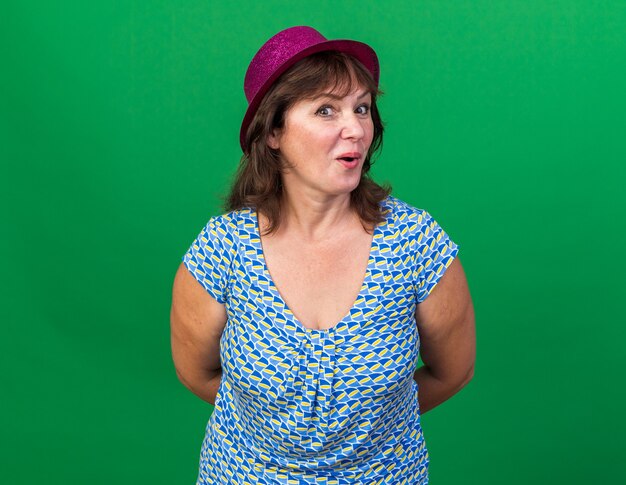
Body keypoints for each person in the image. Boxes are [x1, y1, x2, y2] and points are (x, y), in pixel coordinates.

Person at [170, 26, 475, 484]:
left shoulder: (416, 243)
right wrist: (275, 439)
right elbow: (196, 373)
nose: (355, 129)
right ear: (273, 131)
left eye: (362, 109)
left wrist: (367, 437)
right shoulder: (223, 248)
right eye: (326, 110)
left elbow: (453, 372)